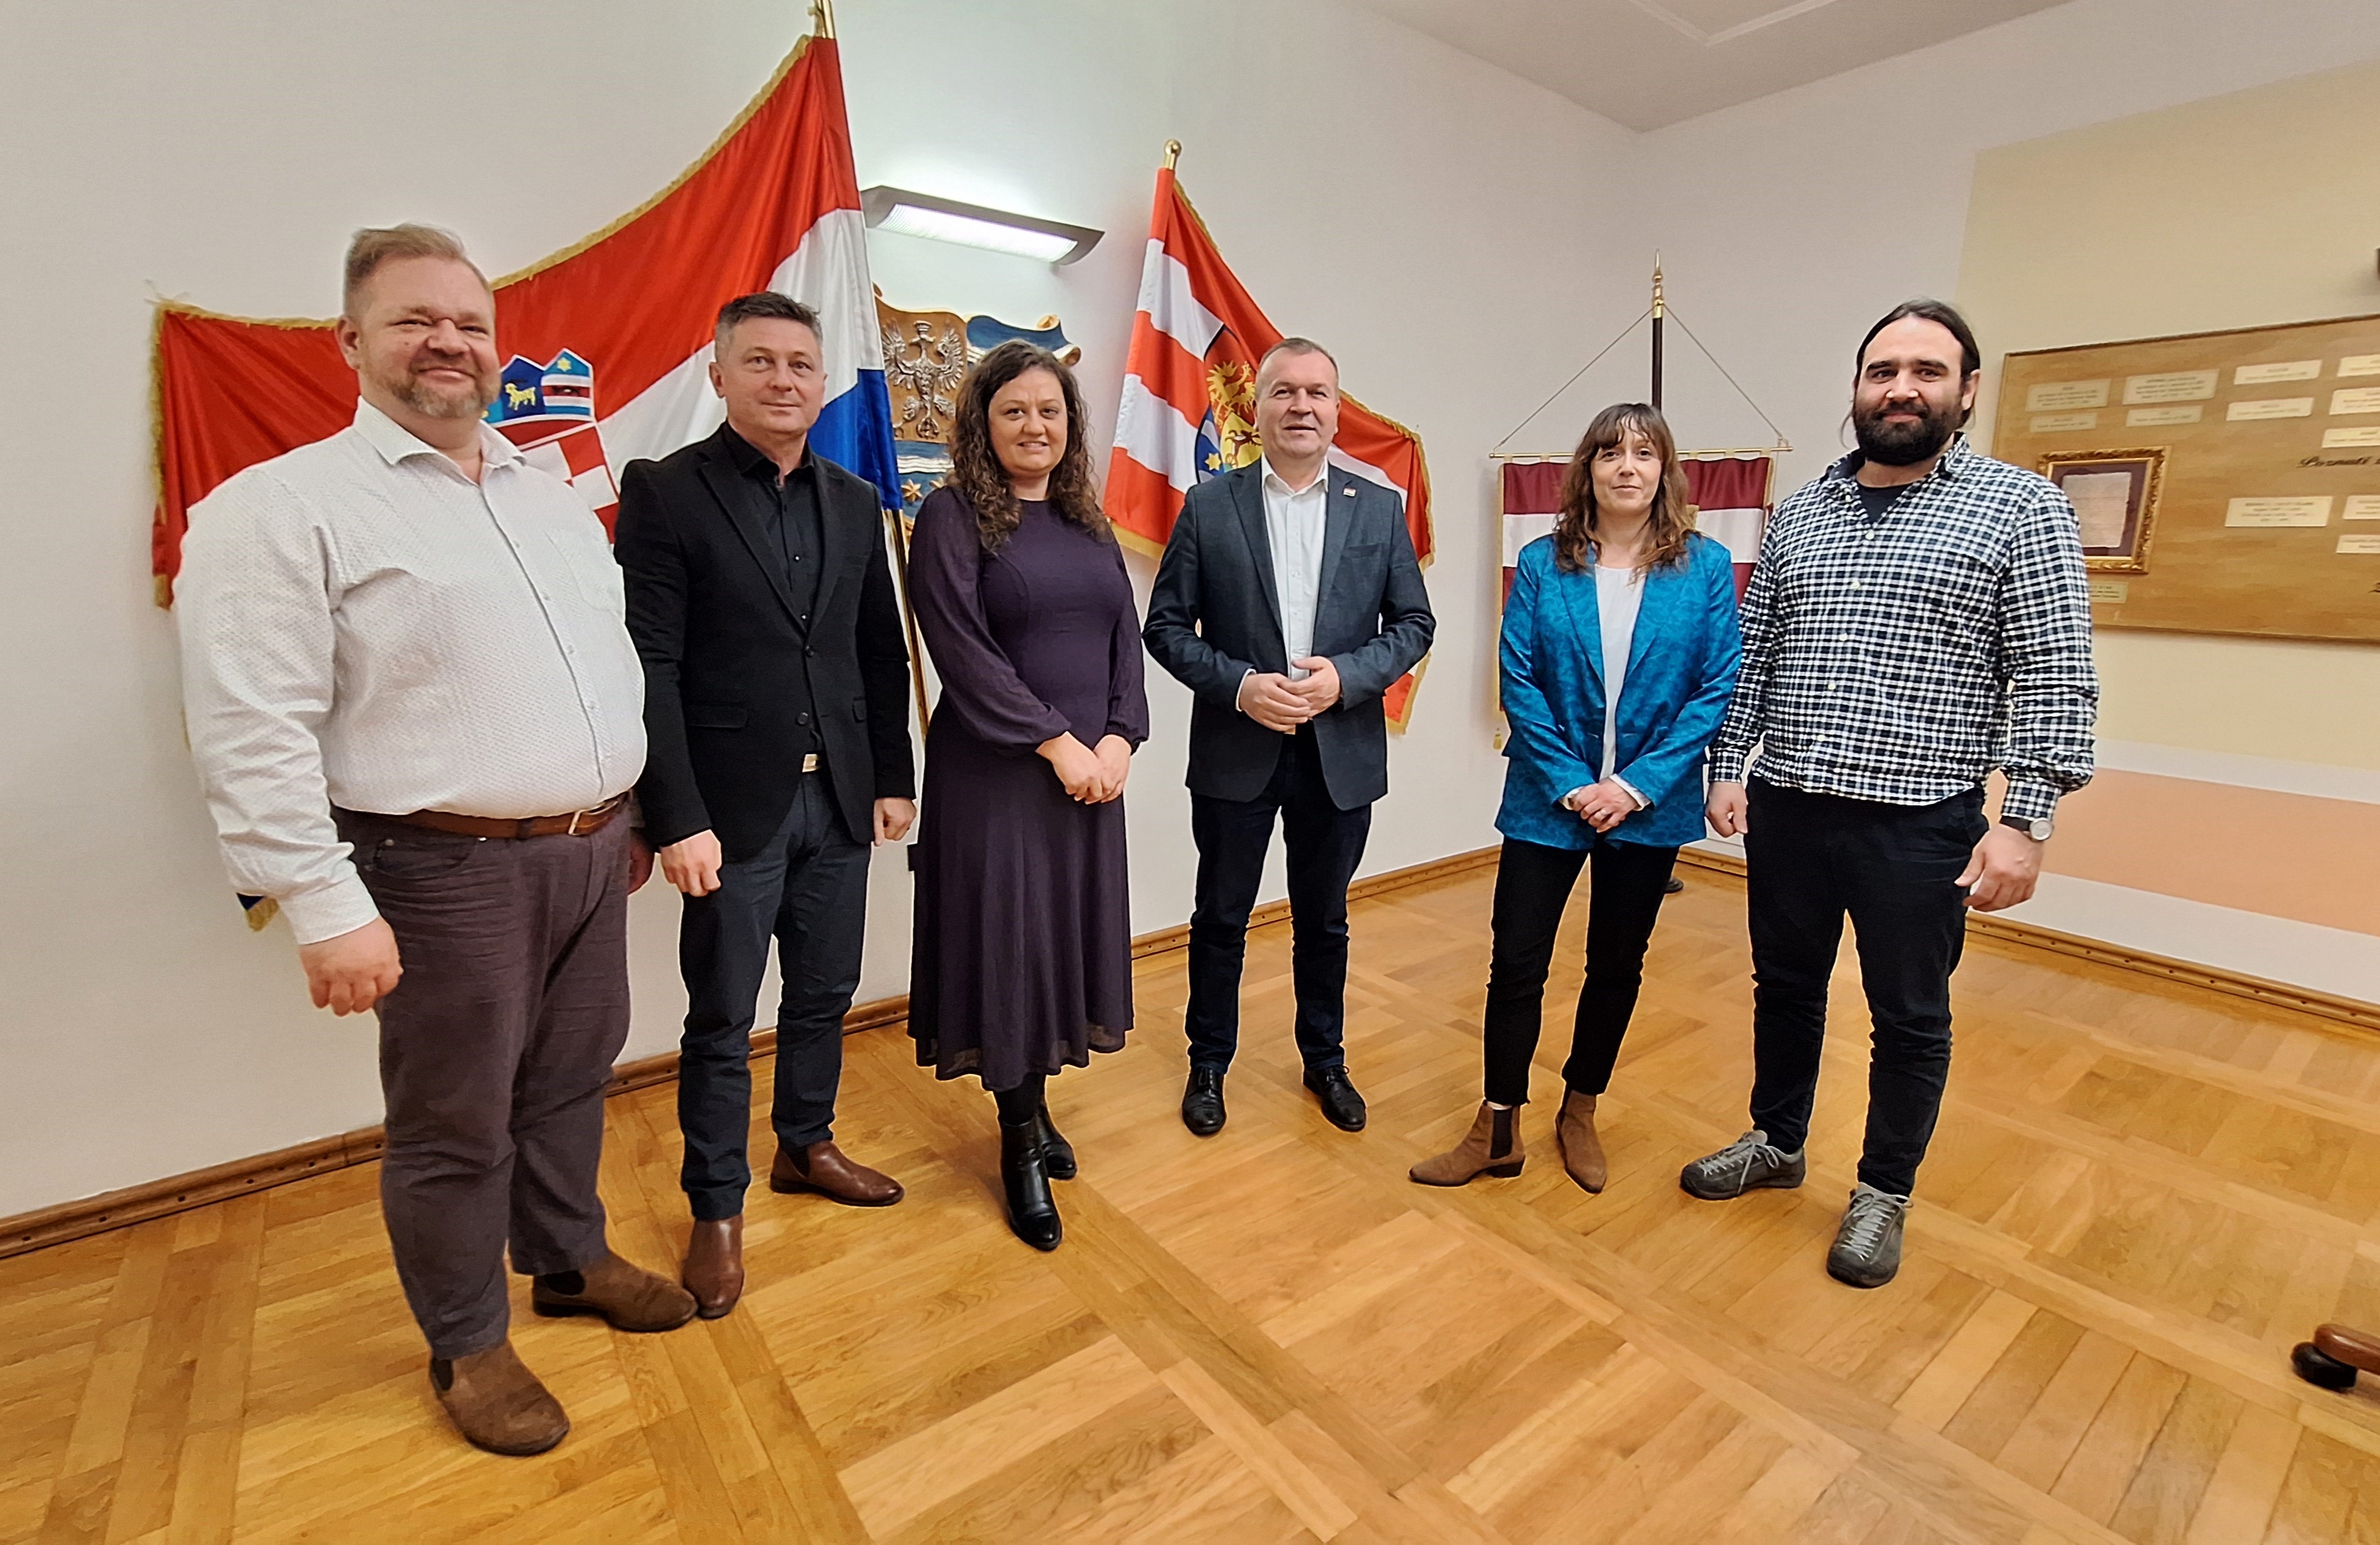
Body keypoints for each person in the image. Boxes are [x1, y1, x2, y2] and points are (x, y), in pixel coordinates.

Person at [176, 225, 694, 1458]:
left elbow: (601, 668)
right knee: (455, 1122)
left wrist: (621, 813)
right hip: (440, 873)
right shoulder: (282, 507)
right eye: (414, 320)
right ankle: (467, 1342)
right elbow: (250, 727)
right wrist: (322, 905)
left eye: (468, 323)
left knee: (570, 1081)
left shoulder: (547, 496)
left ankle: (566, 1258)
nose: (446, 342)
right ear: (350, 342)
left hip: (589, 854)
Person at [1681, 299, 2097, 1288]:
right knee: (1783, 988)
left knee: (1907, 1015)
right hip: (1789, 806)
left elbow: (2052, 670)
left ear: (1965, 391)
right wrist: (1728, 761)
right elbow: (1757, 649)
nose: (1900, 389)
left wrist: (2025, 819)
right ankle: (1776, 1140)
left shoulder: (2019, 508)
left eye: (1924, 371)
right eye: (1882, 371)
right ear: (1858, 386)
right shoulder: (1803, 511)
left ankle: (1881, 1190)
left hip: (1920, 824)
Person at [613, 293, 918, 1317]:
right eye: (759, 361)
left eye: (799, 363)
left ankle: (805, 1144)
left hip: (839, 797)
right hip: (727, 810)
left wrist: (891, 775)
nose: (782, 379)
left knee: (824, 993)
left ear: (821, 381)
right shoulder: (666, 491)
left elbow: (877, 646)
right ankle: (716, 1205)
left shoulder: (853, 498)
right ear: (719, 375)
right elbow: (649, 664)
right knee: (722, 1015)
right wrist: (672, 814)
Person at [1410, 404, 1739, 1193]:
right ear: (1586, 469)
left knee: (1615, 966)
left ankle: (1579, 1108)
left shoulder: (1703, 567)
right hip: (1544, 797)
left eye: (1643, 453)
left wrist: (1631, 786)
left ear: (1664, 470)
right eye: (1609, 452)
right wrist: (1570, 783)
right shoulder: (1540, 563)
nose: (1626, 466)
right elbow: (1518, 678)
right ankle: (1497, 1126)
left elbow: (1714, 685)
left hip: (1649, 804)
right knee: (1515, 963)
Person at [1144, 339, 1436, 1138]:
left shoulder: (1376, 508)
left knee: (1324, 918)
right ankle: (1208, 1063)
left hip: (1339, 755)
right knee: (1220, 916)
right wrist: (1240, 687)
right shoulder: (1210, 505)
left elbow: (1413, 625)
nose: (1300, 406)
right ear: (1257, 406)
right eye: (1283, 392)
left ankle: (1324, 1060)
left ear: (1337, 411)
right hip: (1236, 750)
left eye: (1316, 393)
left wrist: (1346, 678)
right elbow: (1163, 628)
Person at [906, 341, 1148, 1251]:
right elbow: (962, 653)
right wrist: (1057, 743)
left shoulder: (1088, 520)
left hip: (1087, 778)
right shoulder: (951, 516)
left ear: (1069, 425)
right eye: (1013, 411)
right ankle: (1017, 1141)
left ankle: (1035, 1108)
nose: (1033, 426)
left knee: (1055, 942)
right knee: (1007, 945)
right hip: (998, 774)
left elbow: (1123, 638)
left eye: (1049, 411)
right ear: (983, 423)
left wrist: (1119, 737)